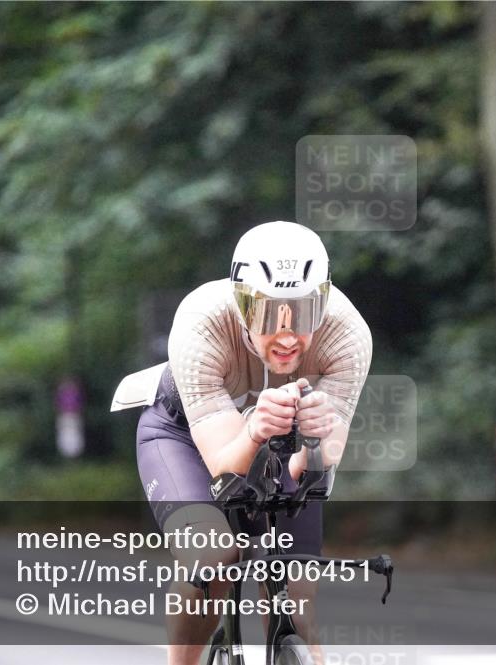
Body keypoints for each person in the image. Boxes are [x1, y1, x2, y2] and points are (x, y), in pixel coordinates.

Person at [131, 220, 372, 665]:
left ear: (324, 304)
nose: (286, 335)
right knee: (213, 558)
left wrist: (314, 442)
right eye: (267, 314)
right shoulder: (201, 323)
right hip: (183, 436)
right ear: (241, 306)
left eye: (303, 313)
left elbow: (313, 477)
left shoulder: (347, 335)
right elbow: (225, 471)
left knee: (296, 602)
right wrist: (253, 431)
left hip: (284, 442)